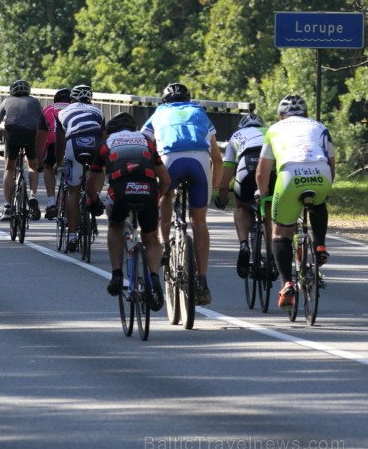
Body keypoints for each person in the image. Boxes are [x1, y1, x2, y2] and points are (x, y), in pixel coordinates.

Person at [140, 82, 223, 306]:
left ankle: (164, 244)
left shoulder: (158, 113)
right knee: (199, 222)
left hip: (170, 159)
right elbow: (217, 158)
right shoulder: (199, 112)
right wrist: (213, 189)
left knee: (167, 196)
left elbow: (143, 144)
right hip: (199, 161)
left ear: (165, 101)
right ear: (188, 100)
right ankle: (202, 281)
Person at [255, 94, 334, 310]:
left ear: (281, 116)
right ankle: (319, 245)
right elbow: (331, 162)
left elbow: (263, 172)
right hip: (321, 173)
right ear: (306, 114)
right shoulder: (319, 126)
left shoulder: (274, 130)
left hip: (290, 176)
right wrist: (325, 188)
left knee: (280, 232)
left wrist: (263, 195)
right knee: (318, 203)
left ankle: (286, 283)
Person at [88, 112, 171, 309]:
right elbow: (166, 180)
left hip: (120, 190)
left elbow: (92, 182)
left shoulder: (105, 143)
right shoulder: (146, 141)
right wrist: (156, 196)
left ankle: (117, 274)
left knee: (115, 224)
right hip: (148, 188)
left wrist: (92, 200)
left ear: (110, 130)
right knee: (151, 236)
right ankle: (154, 278)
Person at [215, 112, 276, 278]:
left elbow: (227, 170)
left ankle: (244, 245)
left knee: (242, 206)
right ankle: (272, 253)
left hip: (246, 164)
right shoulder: (271, 130)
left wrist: (222, 196)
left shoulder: (237, 135)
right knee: (269, 205)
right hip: (269, 166)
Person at [54, 84, 106, 252]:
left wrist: (59, 161)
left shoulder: (62, 112)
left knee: (73, 191)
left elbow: (60, 141)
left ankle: (72, 236)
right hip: (95, 144)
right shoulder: (99, 112)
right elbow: (104, 139)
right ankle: (94, 197)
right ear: (90, 99)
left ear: (72, 100)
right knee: (98, 169)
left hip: (73, 144)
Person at [0, 80, 46, 221]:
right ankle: (32, 195)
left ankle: (7, 206)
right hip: (31, 134)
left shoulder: (7, 101)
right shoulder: (35, 103)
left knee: (9, 168)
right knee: (32, 166)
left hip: (13, 134)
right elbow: (44, 125)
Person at [36, 88, 71, 219]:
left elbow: (40, 138)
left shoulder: (47, 109)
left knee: (48, 166)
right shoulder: (76, 108)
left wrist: (40, 162)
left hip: (53, 141)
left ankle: (51, 203)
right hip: (74, 142)